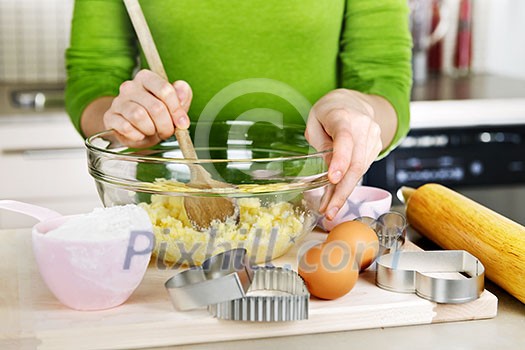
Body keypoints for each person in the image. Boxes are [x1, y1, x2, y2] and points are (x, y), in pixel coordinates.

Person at [65, 0, 412, 221]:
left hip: (313, 215)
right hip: (164, 214)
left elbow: (385, 83)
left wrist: (358, 108)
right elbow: (91, 80)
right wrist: (128, 117)